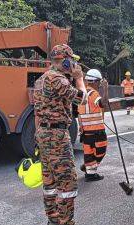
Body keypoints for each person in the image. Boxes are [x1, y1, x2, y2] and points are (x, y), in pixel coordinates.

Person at [33, 44, 87, 225]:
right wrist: (79, 78)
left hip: (42, 132)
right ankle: (65, 221)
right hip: (56, 135)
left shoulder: (41, 80)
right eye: (71, 61)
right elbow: (82, 98)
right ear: (64, 61)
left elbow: (36, 111)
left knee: (49, 181)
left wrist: (37, 134)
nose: (73, 64)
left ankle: (53, 219)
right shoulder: (58, 79)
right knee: (67, 182)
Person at [78, 69, 108, 182]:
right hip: (96, 131)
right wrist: (106, 89)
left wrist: (81, 129)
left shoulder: (82, 94)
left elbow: (80, 115)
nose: (100, 84)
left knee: (89, 152)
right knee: (101, 151)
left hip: (86, 132)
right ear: (95, 81)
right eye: (99, 82)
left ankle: (90, 174)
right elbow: (103, 103)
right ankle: (89, 168)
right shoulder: (93, 93)